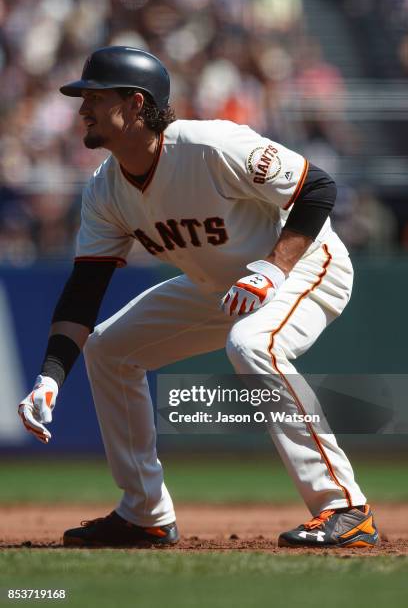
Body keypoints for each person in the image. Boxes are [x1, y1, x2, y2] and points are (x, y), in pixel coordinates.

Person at [18, 46, 379, 549]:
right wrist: (50, 376)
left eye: (95, 97)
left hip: (304, 265)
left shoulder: (210, 145)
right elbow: (84, 290)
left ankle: (344, 507)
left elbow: (317, 187)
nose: (82, 109)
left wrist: (273, 269)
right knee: (109, 350)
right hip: (220, 286)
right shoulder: (105, 190)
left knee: (253, 344)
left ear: (135, 103)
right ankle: (144, 514)